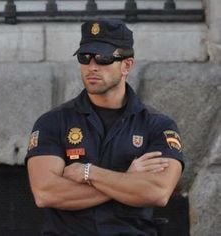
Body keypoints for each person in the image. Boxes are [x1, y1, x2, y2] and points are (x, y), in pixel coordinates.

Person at [26, 19, 184, 236]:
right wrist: (127, 179)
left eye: (103, 58)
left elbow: (157, 192)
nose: (92, 66)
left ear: (126, 65)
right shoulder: (53, 122)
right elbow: (46, 193)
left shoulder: (158, 126)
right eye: (85, 57)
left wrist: (88, 172)